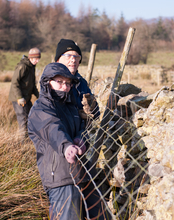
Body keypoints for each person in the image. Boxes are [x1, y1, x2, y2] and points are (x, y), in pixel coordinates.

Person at [28, 62, 111, 220]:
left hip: (83, 173)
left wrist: (81, 138)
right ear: (47, 83)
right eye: (59, 82)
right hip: (60, 177)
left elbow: (82, 127)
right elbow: (52, 129)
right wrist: (66, 146)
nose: (64, 87)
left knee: (102, 216)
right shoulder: (41, 109)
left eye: (67, 83)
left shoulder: (71, 106)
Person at [55, 39, 99, 121]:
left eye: (77, 57)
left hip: (80, 132)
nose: (73, 60)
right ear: (58, 60)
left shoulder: (82, 83)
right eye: (68, 56)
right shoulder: (52, 82)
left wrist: (92, 108)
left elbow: (96, 115)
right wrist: (77, 114)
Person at [8, 47, 41, 139]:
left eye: (38, 59)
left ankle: (30, 138)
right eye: (35, 58)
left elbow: (32, 85)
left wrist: (40, 96)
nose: (37, 61)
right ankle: (22, 142)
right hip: (18, 98)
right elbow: (15, 82)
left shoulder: (32, 67)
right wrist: (19, 97)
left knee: (31, 117)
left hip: (26, 98)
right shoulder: (23, 66)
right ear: (30, 57)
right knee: (23, 119)